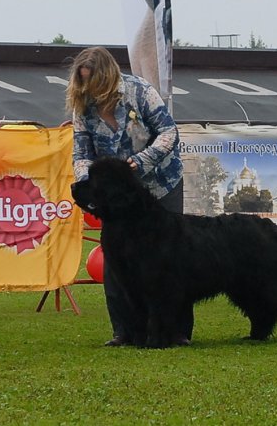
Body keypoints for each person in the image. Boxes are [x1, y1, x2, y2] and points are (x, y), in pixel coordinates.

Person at [66, 46, 193, 346]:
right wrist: (89, 184)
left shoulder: (140, 92)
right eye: (82, 82)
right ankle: (124, 331)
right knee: (117, 260)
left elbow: (169, 132)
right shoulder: (82, 106)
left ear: (107, 77)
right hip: (117, 198)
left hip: (161, 184)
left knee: (172, 261)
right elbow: (81, 152)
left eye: (92, 82)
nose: (87, 89)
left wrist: (143, 159)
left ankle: (176, 332)